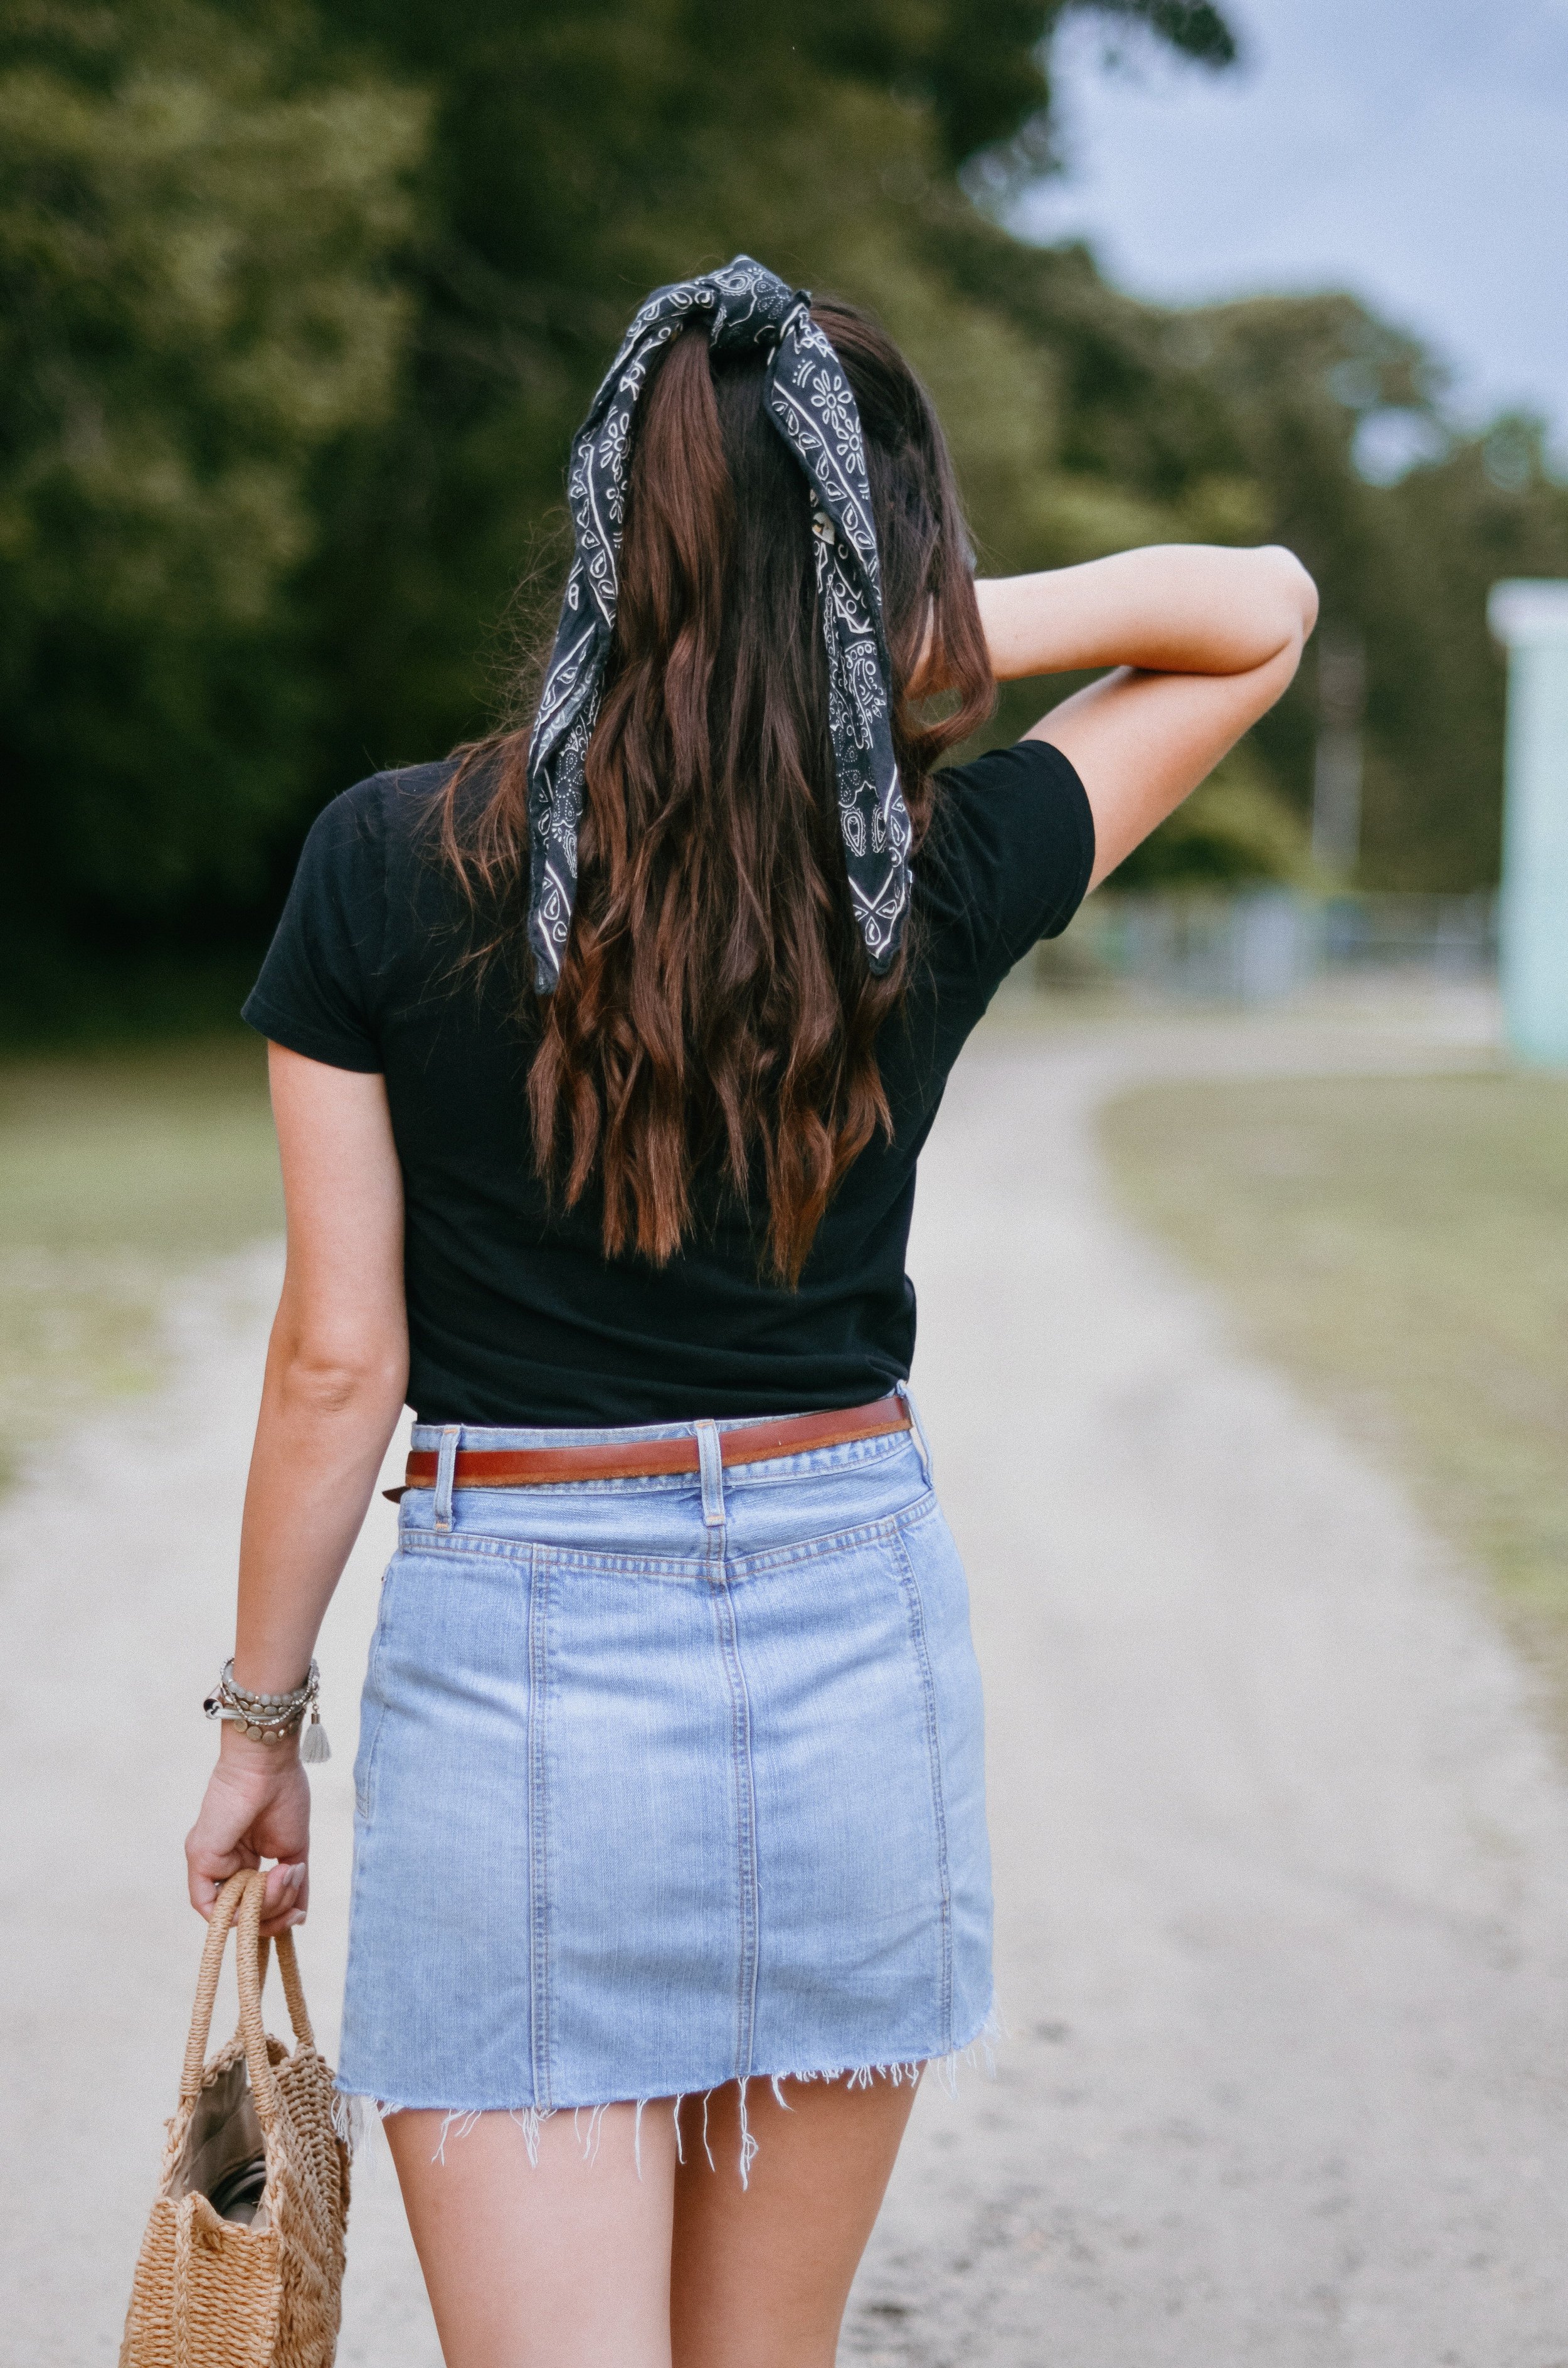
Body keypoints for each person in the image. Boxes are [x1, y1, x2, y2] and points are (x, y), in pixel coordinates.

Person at [184, 258, 1316, 2368]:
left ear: (612, 521)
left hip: (518, 1666)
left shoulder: (380, 862)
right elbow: (1255, 605)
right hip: (845, 1647)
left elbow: (342, 1360)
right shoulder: (935, 874)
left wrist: (260, 1732)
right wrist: (887, 636)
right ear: (894, 561)